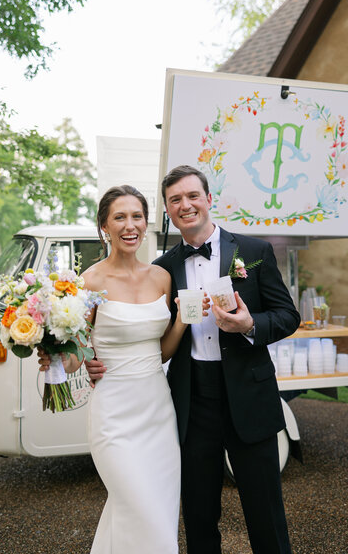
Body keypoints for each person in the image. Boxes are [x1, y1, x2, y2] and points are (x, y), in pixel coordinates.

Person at [86, 165, 301, 554]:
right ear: (168, 211)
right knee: (199, 517)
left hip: (247, 396)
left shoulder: (253, 252)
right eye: (175, 200)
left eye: (192, 196)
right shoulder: (164, 268)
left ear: (208, 199)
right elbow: (142, 334)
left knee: (265, 512)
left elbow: (288, 316)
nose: (185, 205)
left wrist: (250, 323)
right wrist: (88, 358)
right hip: (189, 400)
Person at [39, 184, 208, 554]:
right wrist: (53, 354)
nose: (129, 225)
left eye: (137, 216)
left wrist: (181, 321)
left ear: (146, 223)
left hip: (157, 412)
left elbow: (161, 352)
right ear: (104, 226)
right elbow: (74, 354)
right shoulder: (88, 283)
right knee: (138, 507)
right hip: (113, 414)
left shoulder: (161, 278)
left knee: (155, 513)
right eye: (120, 217)